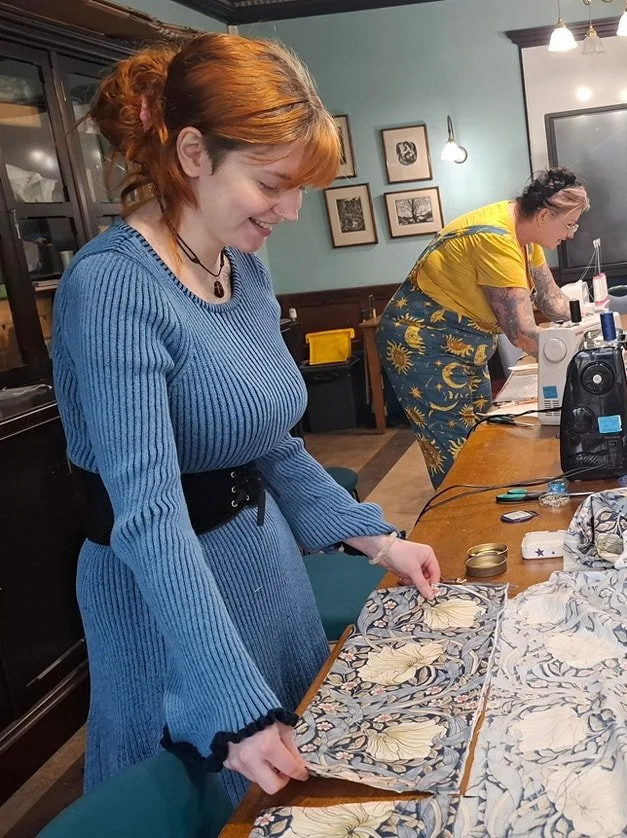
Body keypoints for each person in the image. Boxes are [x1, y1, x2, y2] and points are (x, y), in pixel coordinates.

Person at [51, 32, 441, 804]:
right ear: (193, 153)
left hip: (263, 569)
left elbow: (271, 444)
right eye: (273, 183)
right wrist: (232, 702)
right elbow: (151, 516)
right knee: (213, 803)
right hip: (169, 604)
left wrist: (377, 536)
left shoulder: (244, 267)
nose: (293, 210)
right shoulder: (113, 291)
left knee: (312, 790)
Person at [377, 168, 589, 487]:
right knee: (455, 449)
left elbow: (550, 297)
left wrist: (588, 323)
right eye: (570, 224)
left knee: (482, 433)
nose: (572, 233)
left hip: (466, 342)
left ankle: (485, 502)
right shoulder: (496, 238)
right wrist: (581, 362)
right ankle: (461, 524)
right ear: (545, 215)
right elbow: (522, 335)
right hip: (422, 344)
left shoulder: (525, 234)